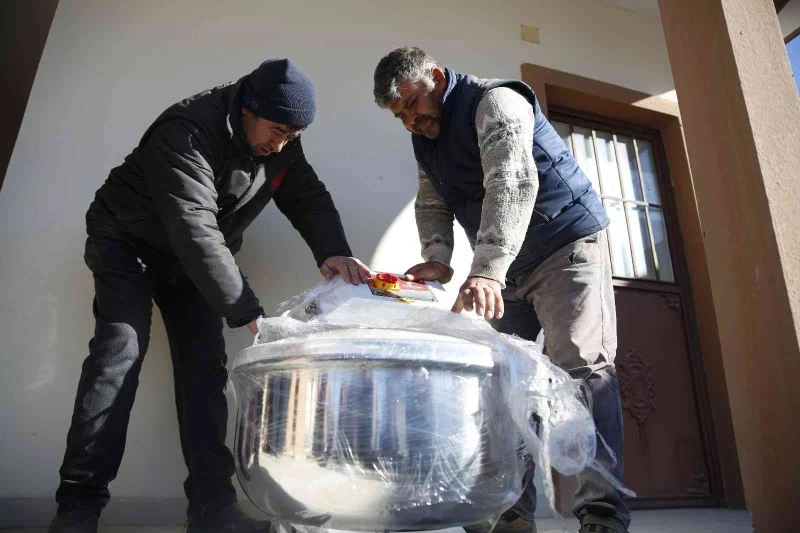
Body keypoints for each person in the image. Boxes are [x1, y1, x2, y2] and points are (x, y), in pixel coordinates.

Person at [49, 58, 370, 533]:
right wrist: (248, 314)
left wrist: (335, 253)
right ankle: (77, 508)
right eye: (277, 131)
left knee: (205, 371)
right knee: (119, 356)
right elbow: (194, 228)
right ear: (248, 109)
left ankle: (213, 510)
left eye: (292, 137)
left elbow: (305, 195)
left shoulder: (279, 140)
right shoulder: (186, 130)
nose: (280, 145)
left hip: (188, 260)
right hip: (126, 243)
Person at [372, 47, 629, 533]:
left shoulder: (498, 101)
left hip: (563, 246)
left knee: (581, 372)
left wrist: (486, 269)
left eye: (413, 103)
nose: (409, 119)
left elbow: (512, 181)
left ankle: (602, 517)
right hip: (506, 264)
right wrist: (438, 257)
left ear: (437, 77)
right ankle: (508, 514)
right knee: (501, 387)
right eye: (399, 114)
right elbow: (431, 201)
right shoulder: (425, 138)